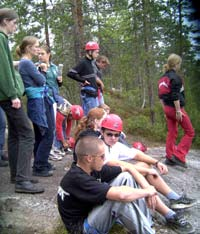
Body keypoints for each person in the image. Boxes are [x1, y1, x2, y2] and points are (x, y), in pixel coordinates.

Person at [57, 135, 195, 234]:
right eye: (102, 156)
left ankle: (147, 223)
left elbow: (128, 168)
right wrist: (147, 192)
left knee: (125, 176)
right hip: (83, 229)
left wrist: (148, 184)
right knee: (118, 201)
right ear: (89, 158)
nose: (105, 160)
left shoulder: (90, 168)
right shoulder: (77, 178)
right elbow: (122, 195)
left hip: (91, 213)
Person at [101, 114, 196, 211]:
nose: (113, 138)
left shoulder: (114, 145)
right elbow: (115, 164)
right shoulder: (99, 146)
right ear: (102, 132)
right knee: (141, 173)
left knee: (146, 165)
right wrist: (147, 172)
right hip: (105, 187)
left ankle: (174, 198)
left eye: (116, 135)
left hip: (115, 179)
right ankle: (169, 214)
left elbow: (136, 154)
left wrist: (156, 163)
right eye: (109, 134)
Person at [0, 8, 44, 193]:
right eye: (14, 22)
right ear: (5, 21)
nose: (15, 26)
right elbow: (3, 71)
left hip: (5, 95)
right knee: (27, 133)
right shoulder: (1, 38)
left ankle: (16, 176)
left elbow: (7, 66)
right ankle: (22, 180)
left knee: (17, 134)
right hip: (7, 95)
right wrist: (13, 94)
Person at [16, 36, 55, 177]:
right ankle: (39, 166)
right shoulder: (26, 63)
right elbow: (41, 80)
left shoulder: (26, 63)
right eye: (36, 46)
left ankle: (41, 162)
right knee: (48, 133)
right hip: (38, 101)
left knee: (41, 133)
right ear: (28, 48)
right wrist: (43, 70)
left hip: (40, 100)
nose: (38, 49)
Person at [159, 54, 195, 168]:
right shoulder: (175, 78)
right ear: (176, 64)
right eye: (180, 63)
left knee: (172, 132)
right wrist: (178, 111)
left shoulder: (162, 78)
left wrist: (165, 111)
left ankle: (169, 157)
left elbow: (161, 96)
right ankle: (179, 156)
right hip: (175, 108)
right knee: (190, 132)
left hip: (167, 108)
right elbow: (175, 96)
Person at [67, 41, 104, 115]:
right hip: (88, 95)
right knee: (90, 117)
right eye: (96, 52)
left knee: (95, 117)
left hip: (94, 94)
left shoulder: (92, 63)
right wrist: (83, 80)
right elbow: (70, 73)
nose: (97, 54)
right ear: (90, 52)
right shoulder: (83, 62)